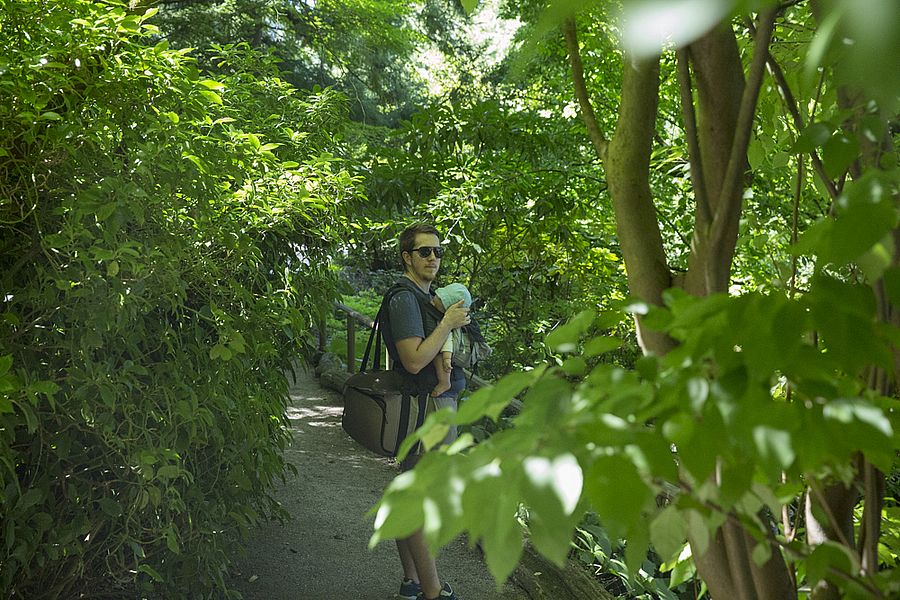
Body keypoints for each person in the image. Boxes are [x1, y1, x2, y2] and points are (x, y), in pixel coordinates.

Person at [382, 223, 468, 600]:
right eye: (424, 252)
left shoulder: (425, 297)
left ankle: (412, 582)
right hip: (427, 409)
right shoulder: (405, 299)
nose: (433, 258)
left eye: (437, 251)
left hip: (431, 407)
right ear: (407, 257)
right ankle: (433, 590)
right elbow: (414, 361)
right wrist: (447, 323)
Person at [428, 283, 472, 398]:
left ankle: (444, 382)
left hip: (446, 354)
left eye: (437, 302)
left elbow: (447, 342)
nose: (432, 302)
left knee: (437, 355)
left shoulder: (448, 323)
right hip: (457, 379)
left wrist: (447, 358)